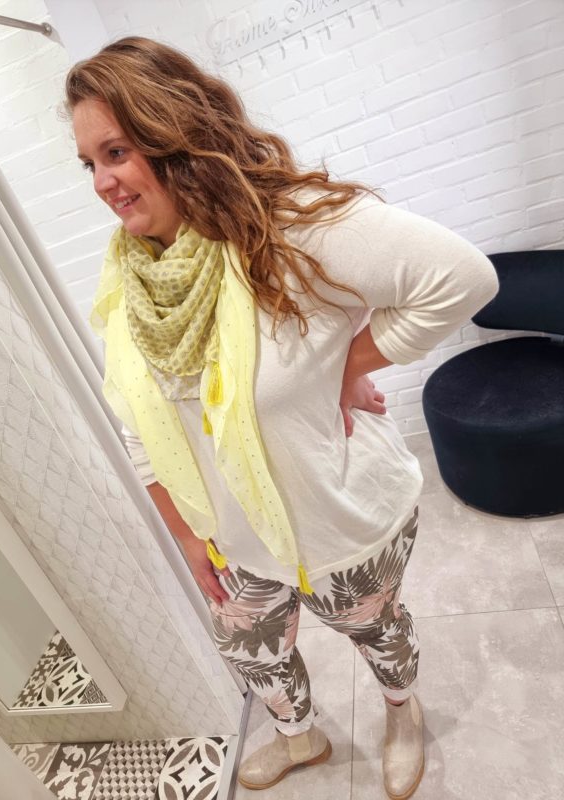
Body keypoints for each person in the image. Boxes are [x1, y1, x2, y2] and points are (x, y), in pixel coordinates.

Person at [66, 36, 498, 799]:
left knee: (377, 633)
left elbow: (460, 279)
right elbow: (139, 420)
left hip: (340, 519)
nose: (102, 182)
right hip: (234, 535)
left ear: (173, 134)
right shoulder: (132, 277)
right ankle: (301, 737)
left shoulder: (288, 227)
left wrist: (347, 365)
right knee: (252, 652)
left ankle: (403, 714)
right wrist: (185, 532)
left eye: (117, 152)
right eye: (89, 163)